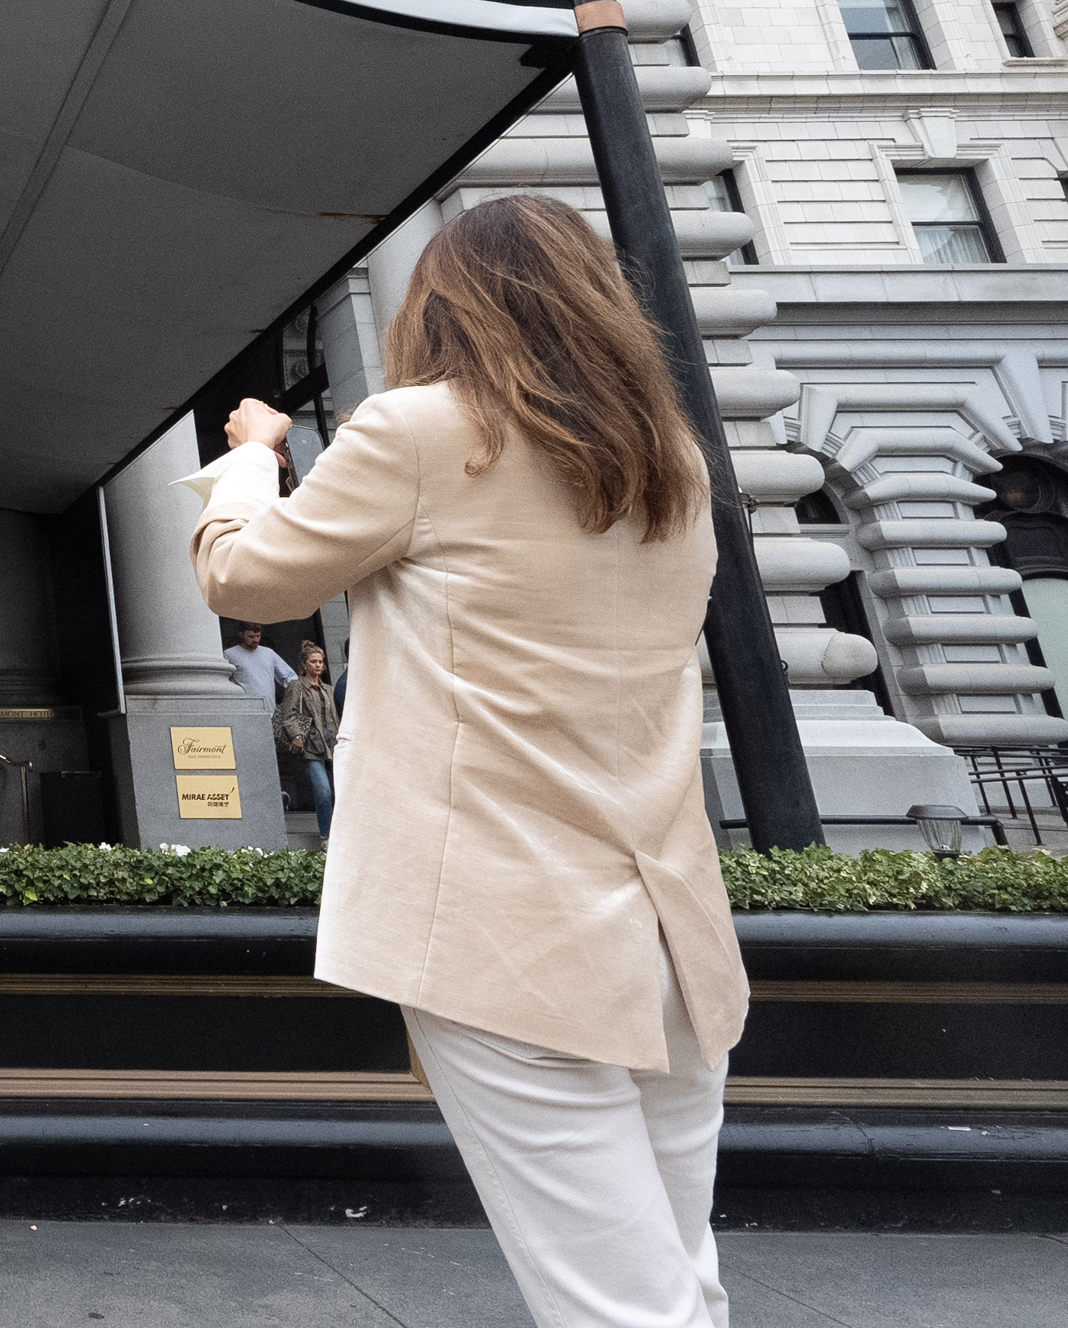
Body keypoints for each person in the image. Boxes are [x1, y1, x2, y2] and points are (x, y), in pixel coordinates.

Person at [188, 193, 746, 1328]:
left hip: (506, 927)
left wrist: (253, 457)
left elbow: (243, 579)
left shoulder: (423, 431)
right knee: (679, 1273)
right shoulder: (672, 458)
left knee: (619, 1305)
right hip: (672, 930)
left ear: (446, 311)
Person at [276, 643, 339, 840]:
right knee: (323, 791)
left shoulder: (328, 689)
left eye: (321, 662)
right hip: (311, 745)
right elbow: (288, 715)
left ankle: (340, 834)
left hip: (332, 744)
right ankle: (326, 836)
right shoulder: (297, 686)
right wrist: (296, 736)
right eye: (314, 662)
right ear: (304, 664)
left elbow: (335, 717)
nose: (319, 665)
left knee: (340, 790)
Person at [226, 621, 295, 705]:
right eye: (251, 637)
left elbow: (289, 676)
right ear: (241, 635)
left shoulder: (269, 653)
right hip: (243, 708)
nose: (255, 640)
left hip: (269, 708)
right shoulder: (230, 654)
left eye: (258, 636)